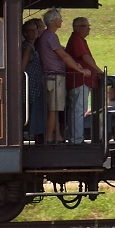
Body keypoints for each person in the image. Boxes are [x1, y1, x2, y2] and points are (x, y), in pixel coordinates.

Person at [36, 8, 91, 144]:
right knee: (54, 109)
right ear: (54, 21)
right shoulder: (51, 36)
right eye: (60, 18)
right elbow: (63, 55)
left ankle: (57, 136)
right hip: (55, 77)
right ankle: (49, 138)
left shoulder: (46, 36)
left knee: (55, 109)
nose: (62, 20)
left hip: (51, 77)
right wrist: (79, 69)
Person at [65, 16, 101, 144]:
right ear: (77, 28)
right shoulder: (77, 39)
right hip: (80, 81)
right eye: (86, 26)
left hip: (79, 81)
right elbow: (84, 56)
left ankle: (75, 138)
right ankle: (76, 140)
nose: (88, 29)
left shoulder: (77, 39)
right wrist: (98, 70)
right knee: (78, 110)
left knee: (77, 110)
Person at [21, 18, 46, 144]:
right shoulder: (28, 47)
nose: (34, 32)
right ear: (25, 33)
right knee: (35, 111)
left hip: (34, 84)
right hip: (31, 86)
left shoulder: (31, 45)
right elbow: (22, 67)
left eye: (35, 29)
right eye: (30, 31)